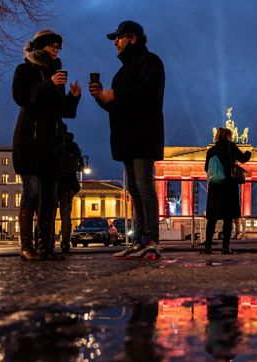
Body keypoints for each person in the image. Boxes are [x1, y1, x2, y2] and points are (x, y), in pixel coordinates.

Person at [90, 20, 165, 260]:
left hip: (144, 134)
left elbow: (149, 92)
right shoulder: (122, 71)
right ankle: (138, 241)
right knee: (134, 189)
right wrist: (101, 98)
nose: (115, 42)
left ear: (132, 38)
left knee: (144, 187)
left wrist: (116, 94)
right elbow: (117, 107)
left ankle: (150, 240)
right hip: (127, 137)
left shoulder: (151, 61)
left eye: (119, 37)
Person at [12, 28, 81, 261]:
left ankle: (46, 246)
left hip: (52, 144)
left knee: (49, 198)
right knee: (31, 193)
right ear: (41, 46)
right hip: (30, 141)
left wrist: (73, 97)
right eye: (52, 46)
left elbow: (64, 112)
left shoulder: (57, 74)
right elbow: (21, 96)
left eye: (58, 47)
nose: (56, 50)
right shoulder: (25, 69)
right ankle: (26, 246)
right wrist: (48, 84)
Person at [203, 127, 251, 254]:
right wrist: (248, 153)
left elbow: (206, 168)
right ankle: (225, 247)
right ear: (229, 136)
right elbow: (243, 159)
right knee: (228, 218)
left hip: (215, 187)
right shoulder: (231, 147)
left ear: (217, 136)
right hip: (229, 186)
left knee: (212, 219)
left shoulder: (211, 150)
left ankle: (207, 247)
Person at [57, 130, 83, 254]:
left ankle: (47, 243)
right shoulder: (74, 148)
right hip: (68, 184)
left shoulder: (56, 145)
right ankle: (65, 244)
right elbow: (80, 167)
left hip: (55, 182)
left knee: (49, 213)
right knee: (66, 215)